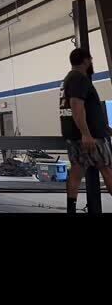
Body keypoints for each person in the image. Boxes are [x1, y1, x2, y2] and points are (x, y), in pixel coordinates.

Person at [59, 47, 112, 214]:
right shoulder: (79, 78)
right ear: (85, 60)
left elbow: (84, 108)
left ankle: (71, 210)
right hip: (91, 138)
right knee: (107, 169)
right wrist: (87, 134)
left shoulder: (67, 79)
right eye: (90, 59)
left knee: (76, 172)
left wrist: (104, 127)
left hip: (76, 135)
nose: (91, 62)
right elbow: (76, 106)